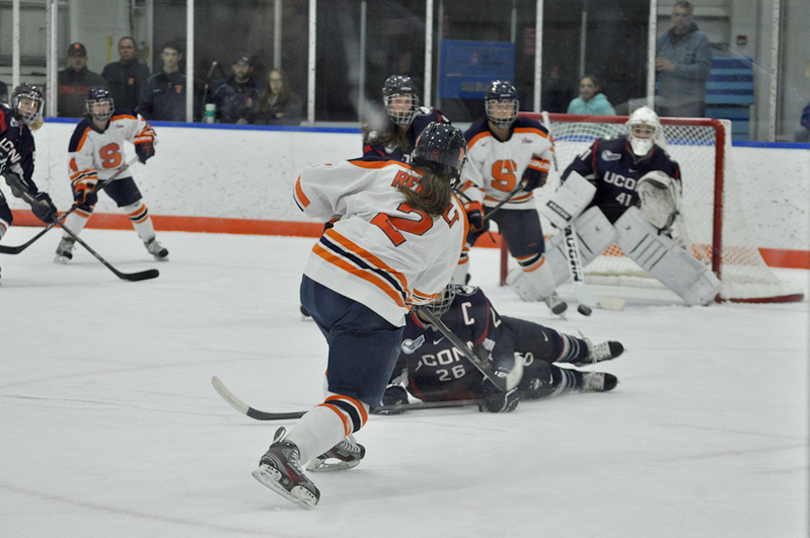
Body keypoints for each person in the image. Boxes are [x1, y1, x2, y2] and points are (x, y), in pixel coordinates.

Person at [251, 122, 470, 508]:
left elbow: (306, 189)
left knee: (344, 353)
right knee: (355, 400)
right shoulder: (455, 214)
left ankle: (329, 438)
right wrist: (404, 296)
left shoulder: (385, 170)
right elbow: (427, 290)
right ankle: (291, 453)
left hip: (319, 279)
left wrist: (336, 213)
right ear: (458, 165)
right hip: (373, 301)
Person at [540, 106, 721, 306]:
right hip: (597, 214)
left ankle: (700, 291)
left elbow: (671, 207)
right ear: (629, 130)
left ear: (655, 133)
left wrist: (661, 224)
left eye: (647, 131)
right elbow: (572, 175)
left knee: (661, 254)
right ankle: (536, 284)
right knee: (562, 251)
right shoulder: (603, 148)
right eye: (638, 130)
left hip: (639, 222)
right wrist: (571, 206)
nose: (642, 135)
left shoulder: (666, 164)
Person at [380, 284, 623, 414]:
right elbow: (384, 373)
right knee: (535, 375)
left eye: (442, 284)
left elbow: (501, 344)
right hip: (444, 387)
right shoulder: (394, 318)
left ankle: (582, 352)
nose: (439, 293)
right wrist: (386, 394)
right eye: (430, 288)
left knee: (518, 331)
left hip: (484, 362)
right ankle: (579, 380)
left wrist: (500, 377)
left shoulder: (469, 301)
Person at [454, 80, 567, 316]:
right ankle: (455, 293)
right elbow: (468, 179)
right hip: (482, 202)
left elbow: (548, 148)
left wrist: (539, 168)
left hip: (520, 201)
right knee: (457, 247)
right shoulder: (475, 136)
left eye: (507, 106)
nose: (503, 111)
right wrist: (473, 207)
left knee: (530, 255)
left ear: (515, 108)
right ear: (488, 108)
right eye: (498, 106)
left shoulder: (533, 130)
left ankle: (550, 296)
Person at [54, 86, 168, 263]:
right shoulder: (82, 133)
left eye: (105, 104)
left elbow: (144, 129)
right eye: (97, 105)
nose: (101, 108)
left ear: (111, 105)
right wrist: (85, 186)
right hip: (89, 172)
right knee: (83, 205)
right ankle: (66, 243)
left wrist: (145, 142)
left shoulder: (123, 118)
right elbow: (78, 165)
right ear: (89, 108)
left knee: (134, 205)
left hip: (117, 171)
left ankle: (151, 242)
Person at [1, 84, 59, 273]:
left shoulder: (26, 141)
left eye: (34, 105)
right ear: (16, 102)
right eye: (26, 103)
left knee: (3, 215)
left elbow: (22, 176)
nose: (29, 108)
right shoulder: (2, 114)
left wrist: (38, 199)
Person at [361, 75, 450, 162]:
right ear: (387, 102)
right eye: (398, 101)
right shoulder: (376, 132)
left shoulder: (430, 121)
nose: (403, 106)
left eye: (407, 101)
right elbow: (373, 171)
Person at [655, 1, 712, 117]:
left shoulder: (700, 39)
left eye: (684, 15)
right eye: (677, 15)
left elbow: (703, 70)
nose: (680, 18)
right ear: (672, 17)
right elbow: (649, 63)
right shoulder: (663, 39)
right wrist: (654, 67)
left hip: (691, 103)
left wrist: (674, 68)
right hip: (665, 102)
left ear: (691, 17)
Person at [57, 43, 108, 118]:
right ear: (68, 59)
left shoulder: (97, 81)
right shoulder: (57, 79)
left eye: (81, 56)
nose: (78, 59)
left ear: (86, 59)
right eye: (74, 56)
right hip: (60, 123)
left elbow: (106, 105)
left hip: (89, 124)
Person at [101, 37, 150, 115]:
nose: (125, 51)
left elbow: (144, 97)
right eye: (122, 48)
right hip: (112, 116)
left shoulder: (142, 70)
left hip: (134, 116)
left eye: (129, 48)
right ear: (119, 50)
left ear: (135, 50)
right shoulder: (110, 69)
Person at [141, 41, 188, 122]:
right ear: (162, 56)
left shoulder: (187, 80)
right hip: (156, 127)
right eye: (167, 54)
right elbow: (144, 107)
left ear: (179, 56)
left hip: (181, 127)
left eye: (174, 54)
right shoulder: (152, 80)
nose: (170, 58)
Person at [209, 53, 262, 124]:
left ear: (251, 68)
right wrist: (207, 116)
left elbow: (260, 115)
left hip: (248, 132)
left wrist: (248, 121)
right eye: (238, 65)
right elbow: (212, 107)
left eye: (244, 66)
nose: (240, 69)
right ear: (233, 67)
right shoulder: (222, 87)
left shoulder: (257, 90)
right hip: (223, 130)